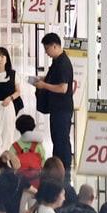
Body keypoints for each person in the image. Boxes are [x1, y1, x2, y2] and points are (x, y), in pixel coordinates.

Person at [31, 33, 76, 170]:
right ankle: (58, 166)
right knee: (57, 139)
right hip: (57, 108)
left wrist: (44, 86)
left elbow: (63, 88)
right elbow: (55, 79)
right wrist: (43, 79)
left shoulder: (63, 63)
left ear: (54, 46)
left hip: (62, 109)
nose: (46, 52)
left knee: (61, 140)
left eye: (47, 49)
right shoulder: (57, 61)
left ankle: (64, 168)